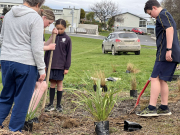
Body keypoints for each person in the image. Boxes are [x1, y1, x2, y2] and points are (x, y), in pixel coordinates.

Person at [0, 0, 46, 132]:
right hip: (26, 63)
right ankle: (14, 130)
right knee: (22, 100)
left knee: (6, 95)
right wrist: (42, 69)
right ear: (38, 5)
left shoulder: (8, 15)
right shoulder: (35, 18)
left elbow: (2, 38)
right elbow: (37, 47)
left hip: (7, 60)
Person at [137, 0, 180, 117]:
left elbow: (169, 30)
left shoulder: (162, 15)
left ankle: (151, 108)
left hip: (166, 53)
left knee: (154, 78)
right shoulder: (165, 15)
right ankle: (164, 107)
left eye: (150, 13)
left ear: (154, 8)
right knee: (162, 79)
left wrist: (168, 50)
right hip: (169, 52)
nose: (151, 16)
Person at [28, 9, 57, 112]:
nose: (48, 25)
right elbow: (35, 47)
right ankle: (29, 113)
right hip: (30, 62)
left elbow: (43, 44)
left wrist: (52, 36)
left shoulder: (40, 29)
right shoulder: (36, 27)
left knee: (40, 85)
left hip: (34, 62)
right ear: (44, 18)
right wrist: (49, 48)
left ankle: (29, 112)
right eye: (49, 23)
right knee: (41, 85)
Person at [44, 19, 72, 112]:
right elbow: (47, 52)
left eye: (61, 29)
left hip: (61, 66)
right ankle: (51, 104)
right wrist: (45, 64)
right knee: (52, 83)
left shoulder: (67, 39)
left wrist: (66, 67)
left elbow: (68, 54)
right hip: (51, 65)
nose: (59, 30)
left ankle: (59, 105)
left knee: (59, 83)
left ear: (65, 28)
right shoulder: (52, 37)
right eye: (57, 28)